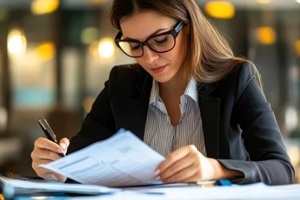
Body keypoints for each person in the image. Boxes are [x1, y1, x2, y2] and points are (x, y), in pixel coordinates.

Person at [31, 0, 295, 185]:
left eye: (161, 41)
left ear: (188, 27)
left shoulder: (236, 80)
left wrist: (215, 168)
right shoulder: (121, 85)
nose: (149, 58)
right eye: (135, 45)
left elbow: (281, 169)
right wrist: (57, 168)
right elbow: (80, 166)